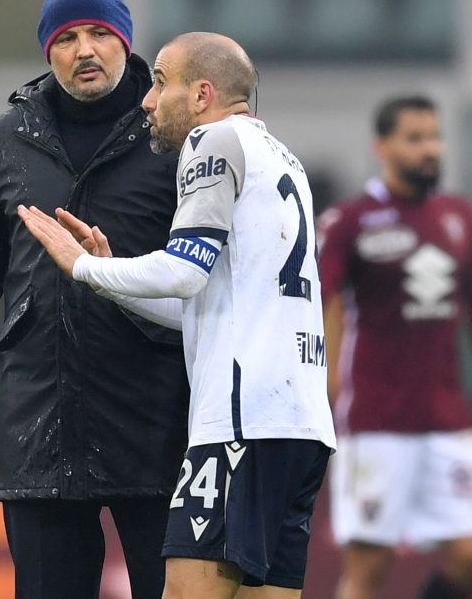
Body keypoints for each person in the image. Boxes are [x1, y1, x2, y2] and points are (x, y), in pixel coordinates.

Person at [18, 32, 337, 599]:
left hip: (239, 427)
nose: (147, 100)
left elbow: (183, 271)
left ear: (202, 94)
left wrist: (82, 269)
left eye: (161, 82)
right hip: (300, 426)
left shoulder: (212, 143)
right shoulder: (281, 158)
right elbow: (202, 302)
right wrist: (114, 276)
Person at [0, 0, 190, 599]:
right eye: (67, 37)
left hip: (158, 421)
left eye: (100, 32)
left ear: (126, 41)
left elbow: (215, 276)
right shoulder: (7, 138)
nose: (85, 50)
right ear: (49, 50)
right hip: (41, 427)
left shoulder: (177, 135)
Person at [317, 95, 472, 599]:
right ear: (381, 147)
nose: (430, 149)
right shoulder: (349, 222)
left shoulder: (459, 217)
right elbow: (315, 299)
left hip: (447, 419)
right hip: (376, 421)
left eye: (434, 136)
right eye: (415, 138)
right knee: (369, 568)